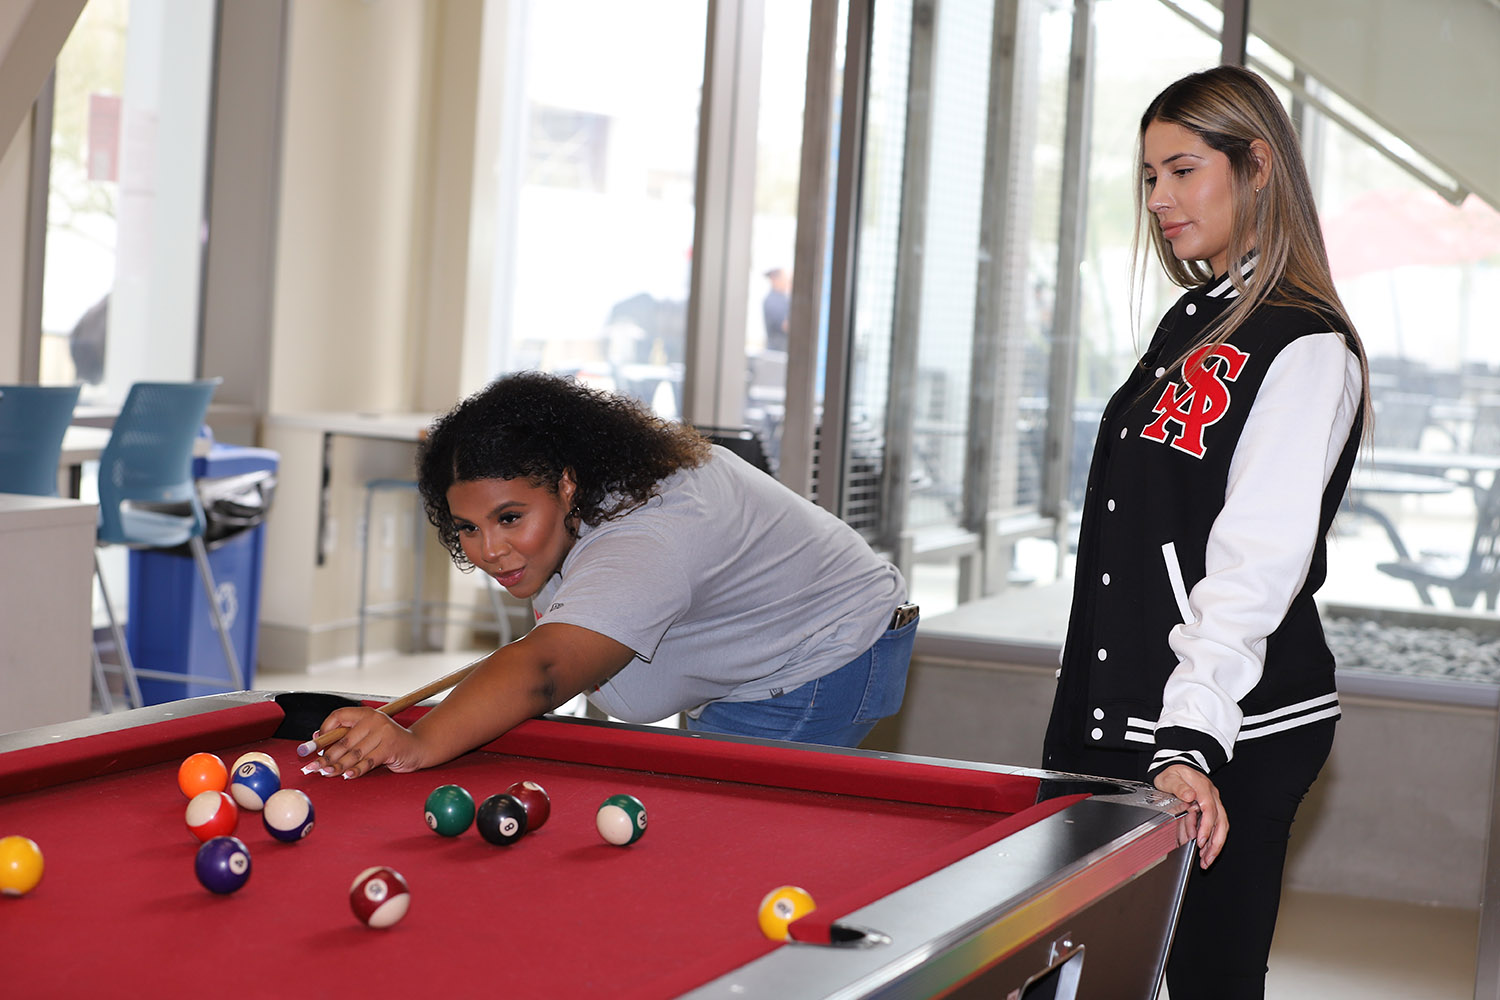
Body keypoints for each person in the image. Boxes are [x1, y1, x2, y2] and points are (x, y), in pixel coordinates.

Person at [1040, 66, 1369, 999]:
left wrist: (1188, 741)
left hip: (1223, 730)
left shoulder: (1303, 344)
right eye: (1148, 178)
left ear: (1257, 163)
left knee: (1202, 981)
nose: (1158, 199)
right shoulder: (1194, 319)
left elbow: (1255, 561)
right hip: (1124, 718)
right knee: (1068, 972)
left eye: (1182, 170)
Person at [312, 371, 916, 780]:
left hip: (823, 653)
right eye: (468, 526)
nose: (490, 549)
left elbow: (545, 672)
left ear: (567, 484)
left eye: (509, 517)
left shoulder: (646, 536)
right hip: (773, 634)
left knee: (718, 837)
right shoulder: (584, 502)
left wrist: (415, 743)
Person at [761, 267, 790, 352]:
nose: (786, 282)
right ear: (775, 280)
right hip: (777, 351)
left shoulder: (784, 298)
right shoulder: (772, 301)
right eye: (784, 278)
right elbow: (785, 326)